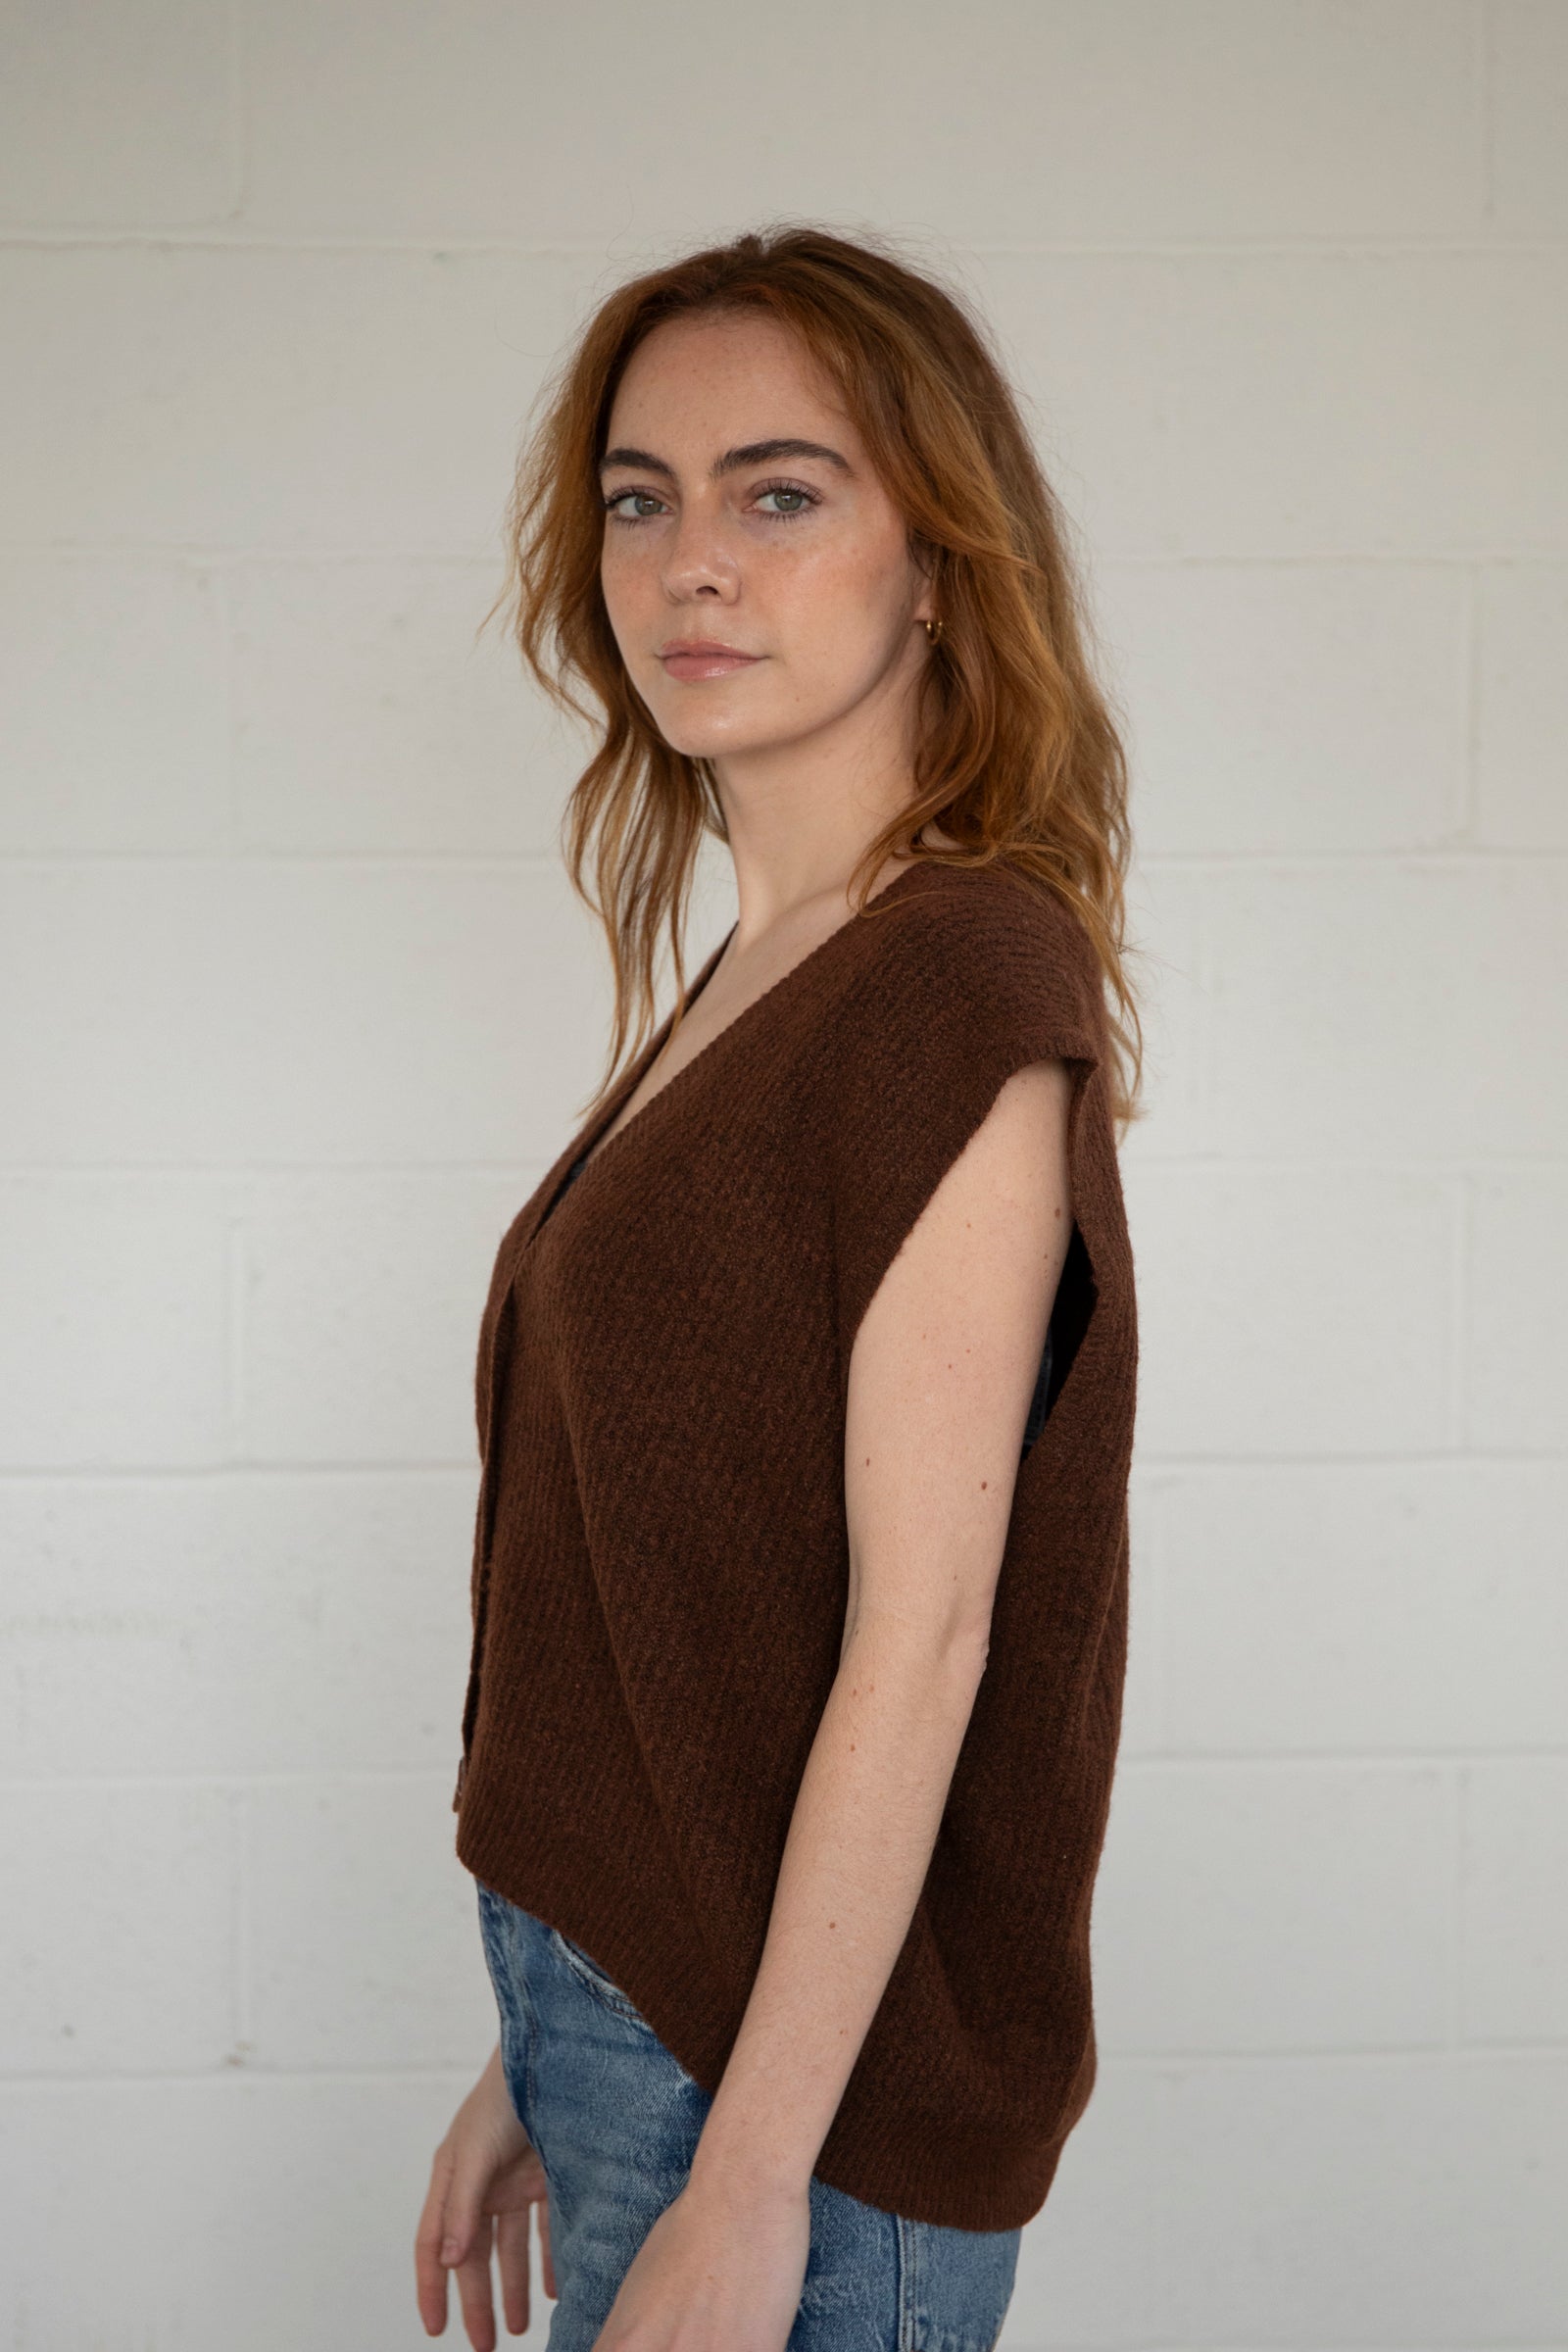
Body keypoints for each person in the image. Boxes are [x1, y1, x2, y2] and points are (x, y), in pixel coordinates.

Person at [415, 224, 1142, 2352]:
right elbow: (700, 1592)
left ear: (939, 565)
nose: (691, 566)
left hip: (790, 2126)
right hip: (646, 2036)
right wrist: (547, 2034)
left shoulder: (955, 974)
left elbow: (921, 1636)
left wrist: (739, 2187)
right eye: (640, 500)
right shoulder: (766, 969)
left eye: (781, 493)